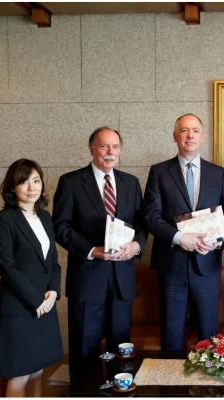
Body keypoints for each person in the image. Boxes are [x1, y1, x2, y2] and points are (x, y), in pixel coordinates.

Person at [52, 127, 145, 385]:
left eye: (115, 147)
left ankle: (118, 390)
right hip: (87, 276)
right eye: (104, 146)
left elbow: (142, 224)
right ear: (92, 148)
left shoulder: (131, 182)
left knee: (121, 348)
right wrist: (92, 251)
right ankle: (83, 393)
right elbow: (60, 227)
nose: (110, 152)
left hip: (122, 279)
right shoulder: (71, 182)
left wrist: (136, 246)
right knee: (84, 347)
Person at [143, 113, 224, 352]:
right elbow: (150, 216)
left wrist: (217, 243)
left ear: (202, 136)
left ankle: (209, 387)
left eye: (195, 130)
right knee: (172, 335)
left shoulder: (219, 173)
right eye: (184, 130)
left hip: (207, 264)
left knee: (210, 337)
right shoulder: (159, 172)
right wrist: (179, 237)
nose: (190, 135)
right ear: (175, 136)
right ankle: (169, 386)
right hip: (171, 265)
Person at [0, 159, 63, 397]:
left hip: (45, 305)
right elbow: (6, 267)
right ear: (12, 187)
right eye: (24, 181)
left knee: (38, 371)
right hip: (20, 308)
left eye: (36, 180)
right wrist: (36, 301)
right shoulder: (4, 220)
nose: (32, 187)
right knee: (19, 374)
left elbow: (52, 261)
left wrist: (53, 291)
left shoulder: (46, 217)